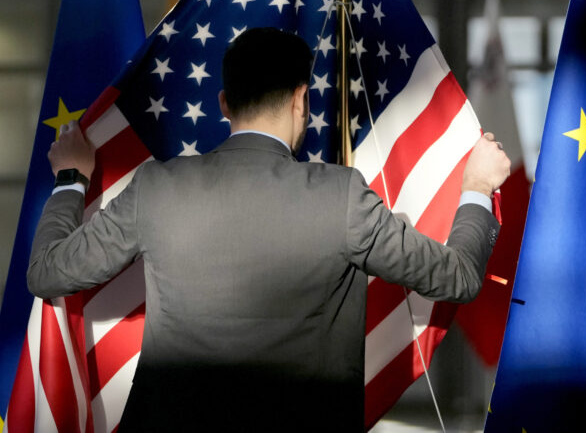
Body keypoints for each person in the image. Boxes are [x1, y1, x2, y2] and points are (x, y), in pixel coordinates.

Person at [28, 28, 510, 432]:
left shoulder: (157, 187)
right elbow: (459, 278)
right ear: (302, 99)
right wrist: (477, 186)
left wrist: (72, 178)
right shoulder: (339, 195)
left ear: (223, 103)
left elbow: (48, 273)